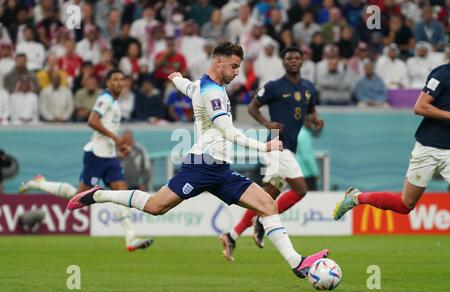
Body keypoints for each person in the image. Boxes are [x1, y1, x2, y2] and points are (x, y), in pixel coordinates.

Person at [67, 42, 329, 279]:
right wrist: (265, 146)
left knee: (268, 206)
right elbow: (228, 131)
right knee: (156, 207)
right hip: (201, 166)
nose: (238, 72)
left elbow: (188, 86)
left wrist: (176, 78)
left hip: (222, 171)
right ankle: (100, 195)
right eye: (234, 66)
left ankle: (298, 263)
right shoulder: (213, 93)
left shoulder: (203, 86)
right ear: (219, 63)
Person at [19, 69, 153, 252]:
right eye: (114, 79)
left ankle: (131, 238)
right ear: (107, 82)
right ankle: (40, 183)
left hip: (109, 156)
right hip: (96, 156)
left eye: (122, 79)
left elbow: (106, 131)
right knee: (78, 195)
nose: (119, 82)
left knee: (121, 192)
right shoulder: (105, 99)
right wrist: (115, 138)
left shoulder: (115, 103)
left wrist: (118, 147)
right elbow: (92, 121)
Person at [220, 46, 325, 259]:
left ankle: (232, 235)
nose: (293, 61)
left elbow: (310, 111)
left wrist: (315, 120)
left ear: (302, 61)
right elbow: (252, 107)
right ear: (283, 62)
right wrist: (268, 123)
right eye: (289, 58)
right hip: (277, 144)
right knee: (300, 189)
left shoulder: (309, 88)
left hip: (289, 147)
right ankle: (260, 220)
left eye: (297, 57)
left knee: (266, 196)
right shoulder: (274, 87)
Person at [333, 62, 450, 221]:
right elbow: (420, 107)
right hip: (428, 148)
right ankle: (356, 198)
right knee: (405, 205)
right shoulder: (443, 73)